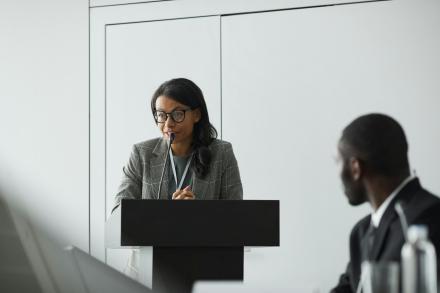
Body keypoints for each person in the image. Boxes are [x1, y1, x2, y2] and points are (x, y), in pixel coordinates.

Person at [331, 113, 440, 293]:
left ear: (355, 168)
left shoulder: (432, 217)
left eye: (337, 162)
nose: (337, 174)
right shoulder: (361, 232)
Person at [114, 78, 243, 208]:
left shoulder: (222, 153)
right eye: (161, 115)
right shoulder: (141, 154)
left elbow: (235, 214)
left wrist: (198, 213)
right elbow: (118, 210)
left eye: (177, 114)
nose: (168, 124)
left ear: (196, 114)